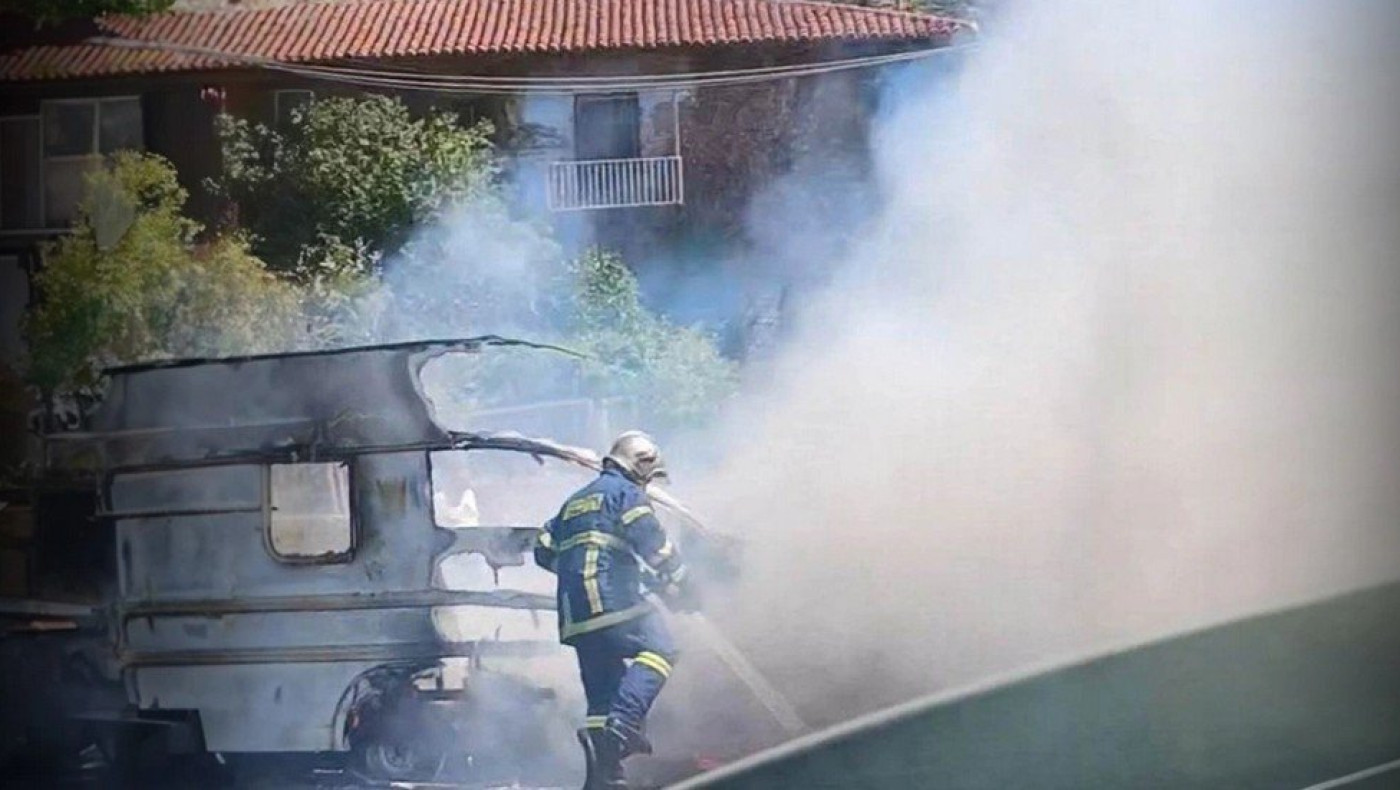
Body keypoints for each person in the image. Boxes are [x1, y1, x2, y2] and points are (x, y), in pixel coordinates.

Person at [534, 430, 699, 790]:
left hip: (574, 614)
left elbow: (543, 550)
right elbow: (657, 547)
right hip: (608, 601)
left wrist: (605, 571)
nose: (648, 483)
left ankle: (604, 776)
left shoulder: (574, 501)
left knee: (602, 691)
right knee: (661, 649)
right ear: (639, 465)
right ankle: (623, 728)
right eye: (649, 476)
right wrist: (686, 586)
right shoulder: (626, 494)